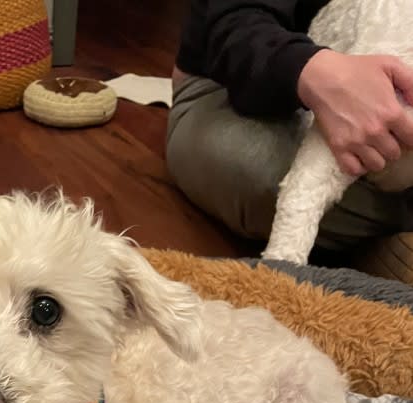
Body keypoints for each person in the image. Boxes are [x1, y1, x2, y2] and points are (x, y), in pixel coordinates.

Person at [166, 0, 413, 259]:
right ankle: (389, 242)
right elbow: (233, 28)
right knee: (259, 175)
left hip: (340, 65)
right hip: (227, 80)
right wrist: (319, 75)